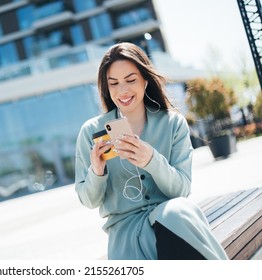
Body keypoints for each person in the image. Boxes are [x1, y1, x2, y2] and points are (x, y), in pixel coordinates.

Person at [74, 42, 228, 260]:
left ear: (145, 80)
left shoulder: (173, 123)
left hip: (172, 222)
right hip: (126, 234)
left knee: (176, 213)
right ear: (106, 88)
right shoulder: (91, 131)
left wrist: (152, 160)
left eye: (130, 80)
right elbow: (88, 200)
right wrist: (97, 172)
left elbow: (181, 190)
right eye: (114, 83)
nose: (123, 90)